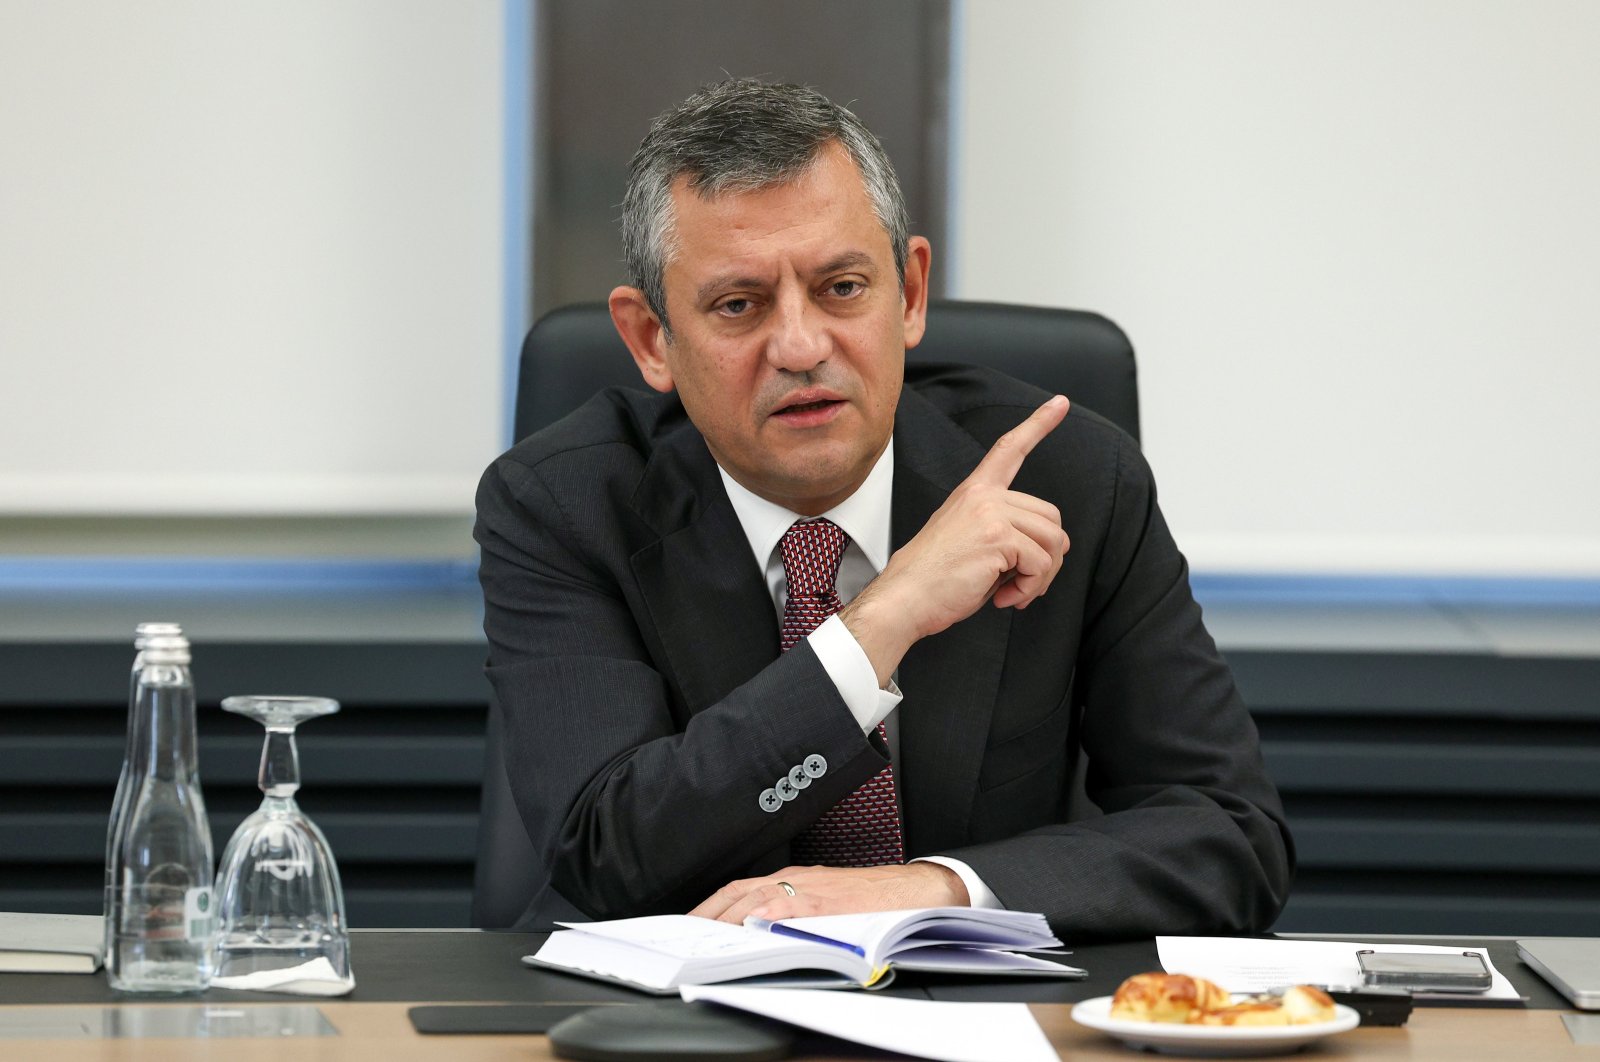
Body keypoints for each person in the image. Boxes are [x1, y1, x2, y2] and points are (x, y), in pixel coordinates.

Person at [474, 78, 1293, 938]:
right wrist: (881, 623)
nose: (800, 347)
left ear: (908, 295)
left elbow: (1230, 838)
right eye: (738, 305)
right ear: (651, 340)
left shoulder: (1073, 479)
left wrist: (936, 888)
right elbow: (610, 853)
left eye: (841, 288)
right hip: (670, 1019)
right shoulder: (562, 504)